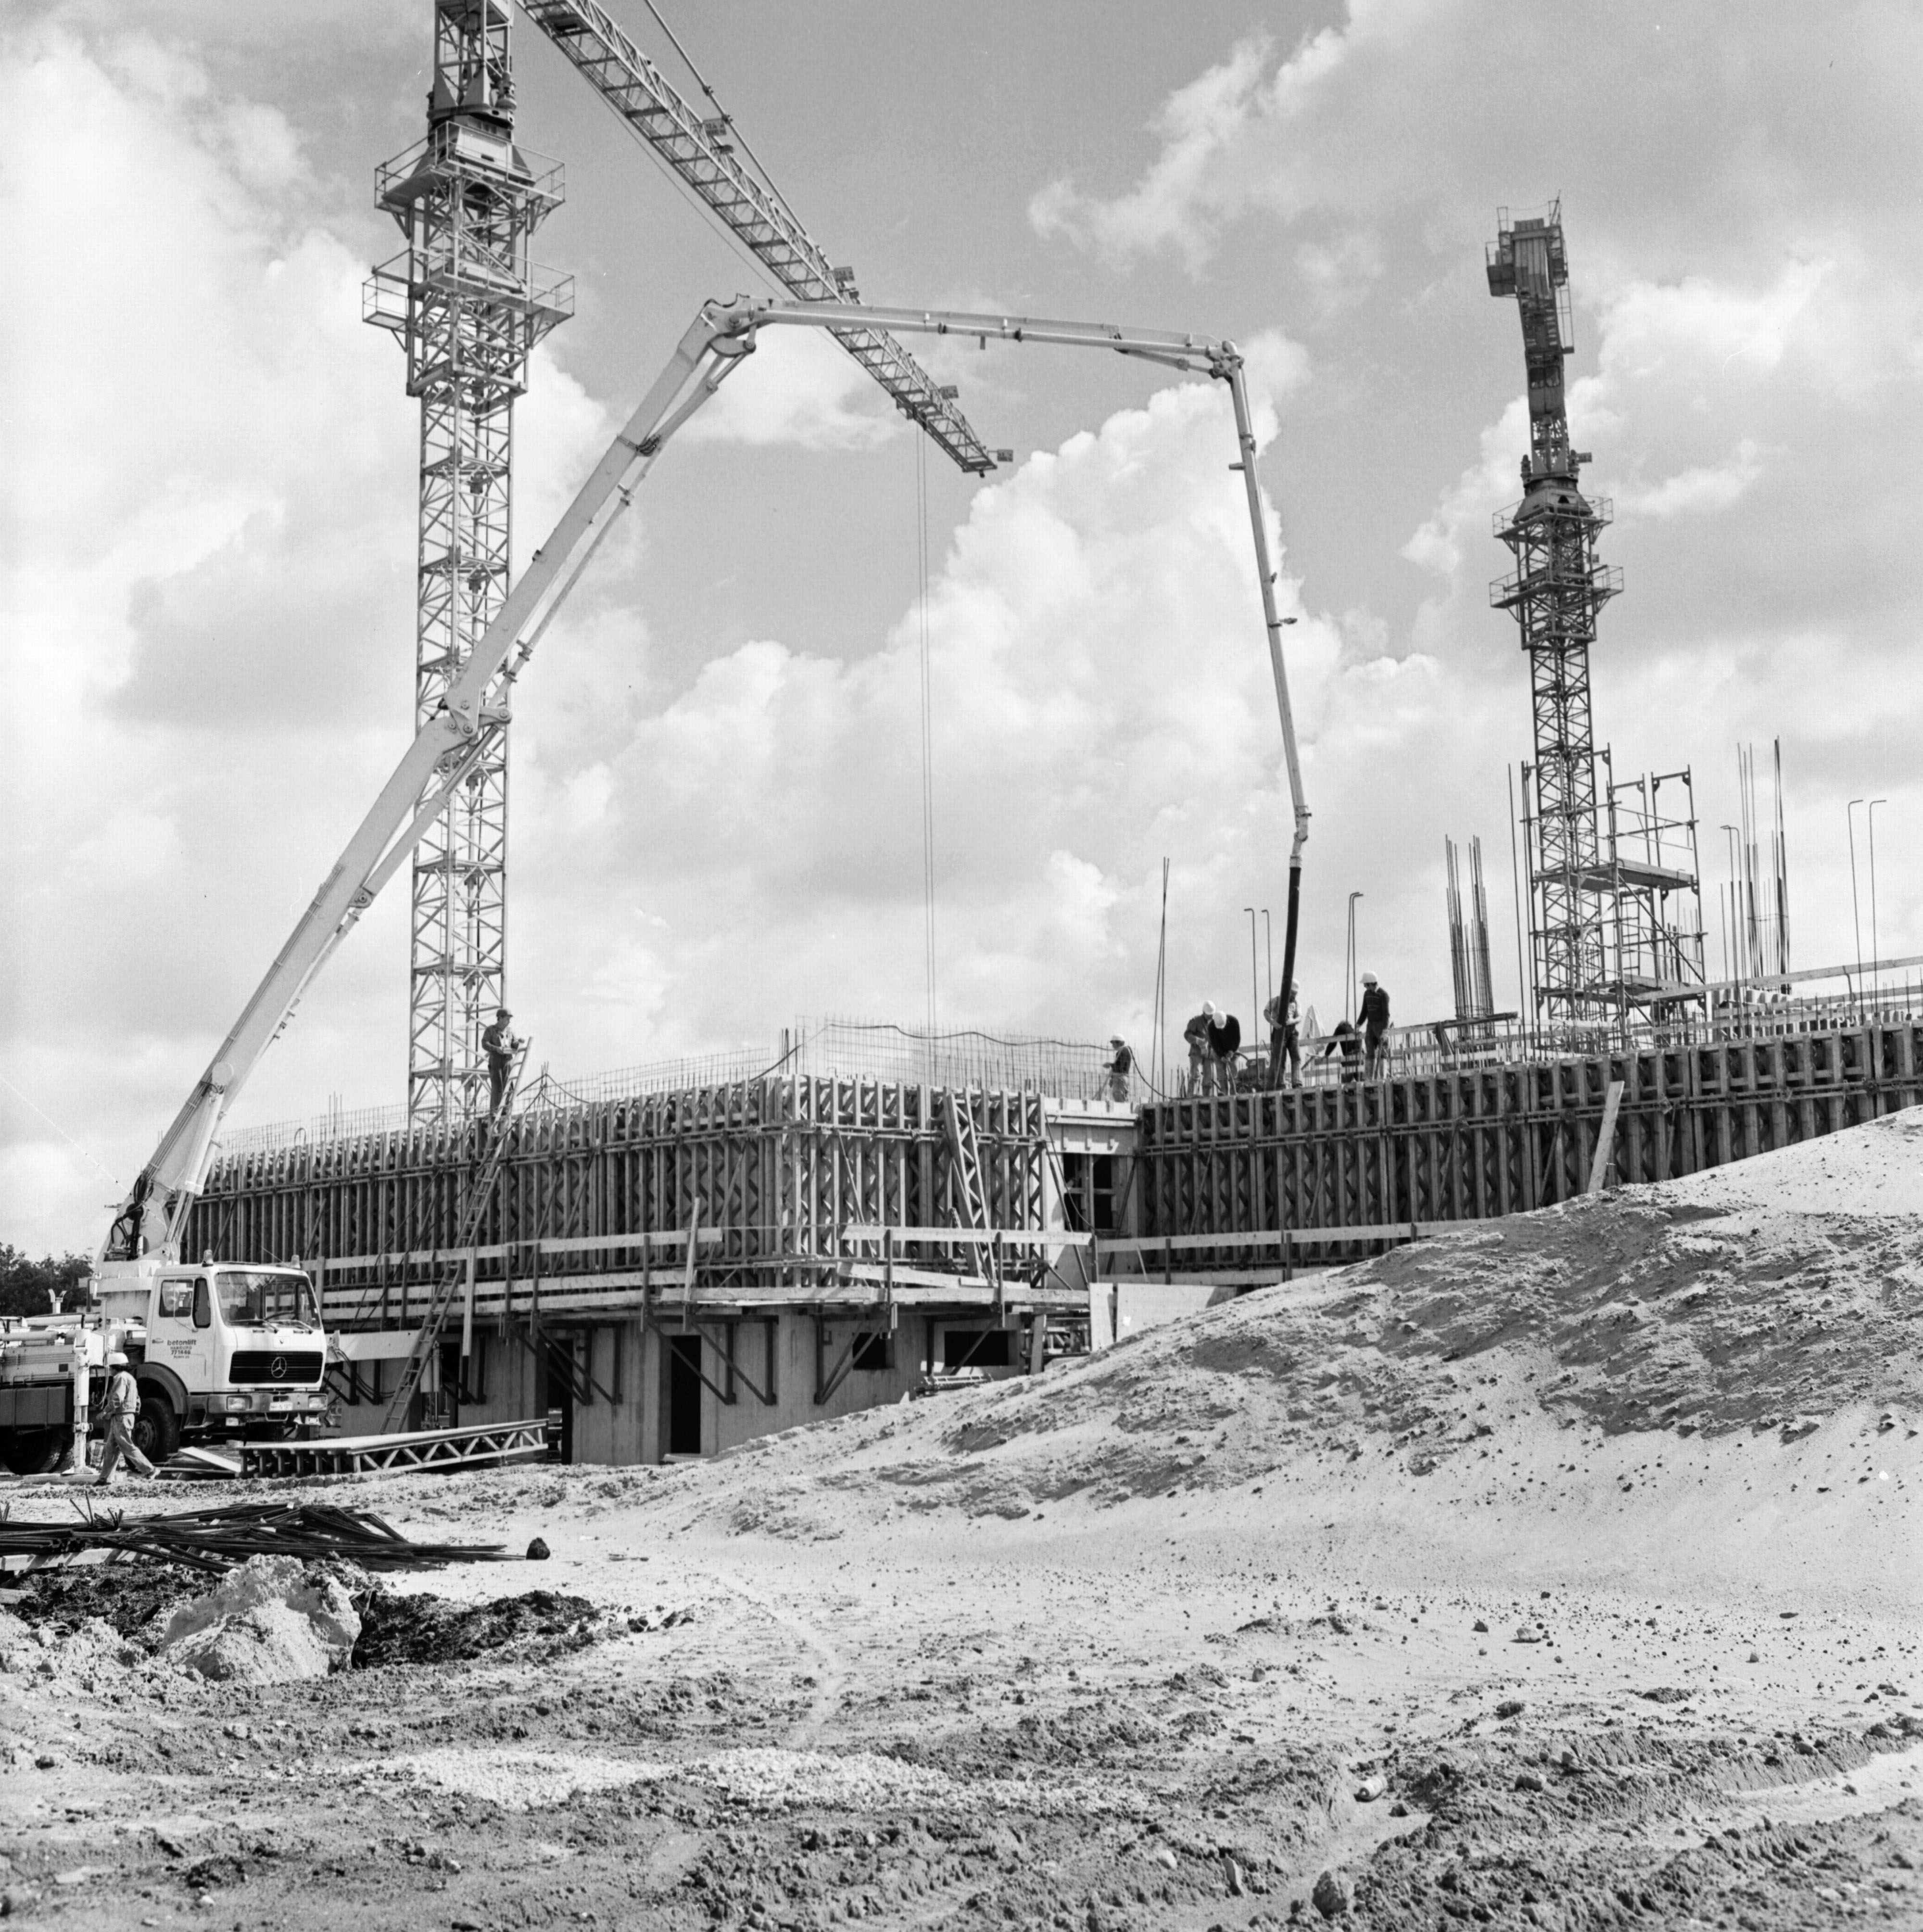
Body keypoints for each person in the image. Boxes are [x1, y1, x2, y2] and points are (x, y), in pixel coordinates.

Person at [95, 1352, 155, 1484]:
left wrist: (105, 1412)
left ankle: (150, 1470)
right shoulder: (130, 1378)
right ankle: (105, 1479)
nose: (110, 1370)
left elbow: (118, 1398)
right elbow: (137, 1399)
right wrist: (133, 1413)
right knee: (111, 1449)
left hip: (121, 1418)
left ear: (115, 1367)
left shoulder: (120, 1378)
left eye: (111, 1368)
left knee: (127, 1447)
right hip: (124, 1417)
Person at [481, 1006, 520, 1115]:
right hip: (496, 1061)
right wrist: (496, 1049)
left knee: (509, 1085)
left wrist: (518, 1043)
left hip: (508, 1061)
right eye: (507, 1018)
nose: (509, 1021)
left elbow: (514, 1043)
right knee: (497, 1086)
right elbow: (485, 1043)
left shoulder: (510, 1031)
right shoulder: (491, 1030)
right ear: (501, 1018)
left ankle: (505, 1110)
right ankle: (495, 1110)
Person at [1264, 983, 1301, 1087]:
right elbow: (1266, 1012)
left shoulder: (1296, 1003)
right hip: (1279, 1033)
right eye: (1292, 993)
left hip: (1292, 1032)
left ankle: (1297, 1082)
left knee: (1296, 1057)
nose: (1294, 996)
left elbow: (1300, 1017)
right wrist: (1273, 1023)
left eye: (1295, 994)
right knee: (1281, 1058)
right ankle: (1281, 1084)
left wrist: (1292, 1021)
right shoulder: (1276, 1000)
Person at [1358, 972, 1391, 1079]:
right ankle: (1370, 1078)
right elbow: (1364, 1011)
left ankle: (1383, 1077)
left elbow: (1386, 1014)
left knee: (1383, 1052)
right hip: (1371, 1026)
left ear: (1371, 983)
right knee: (1370, 1052)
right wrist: (1358, 1024)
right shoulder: (1367, 994)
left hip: (1381, 1025)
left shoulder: (1383, 995)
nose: (1365, 987)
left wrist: (1385, 1031)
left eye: (1366, 985)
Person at [1183, 1004, 1218, 1093]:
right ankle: (1192, 1096)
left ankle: (1207, 1098)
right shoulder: (1196, 1021)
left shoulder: (1214, 1023)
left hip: (1209, 1054)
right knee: (1195, 1075)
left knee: (1209, 1078)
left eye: (1212, 1014)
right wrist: (1197, 1040)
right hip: (1197, 1052)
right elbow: (1187, 1035)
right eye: (1209, 1014)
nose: (1210, 1016)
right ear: (1204, 1012)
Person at [1206, 1005, 1242, 1089]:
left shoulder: (1234, 1022)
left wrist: (1232, 1052)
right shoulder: (1211, 1026)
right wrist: (1222, 1056)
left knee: (1234, 1072)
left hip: (1233, 1049)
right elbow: (1215, 1043)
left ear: (1226, 1021)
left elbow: (1237, 1039)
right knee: (1221, 1075)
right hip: (1218, 1051)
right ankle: (1224, 1092)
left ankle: (1234, 1091)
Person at [1320, 1018, 1362, 1085]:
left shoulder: (1340, 1028)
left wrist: (1327, 1054)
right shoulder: (1352, 1030)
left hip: (1350, 1056)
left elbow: (1333, 1042)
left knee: (1345, 1084)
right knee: (1361, 1082)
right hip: (1360, 1056)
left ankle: (1346, 1090)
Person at [1105, 1037, 1134, 1103]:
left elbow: (1120, 1067)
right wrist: (1113, 1078)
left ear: (1119, 1043)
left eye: (1113, 1043)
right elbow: (1118, 1068)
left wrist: (1110, 1065)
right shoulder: (1122, 1052)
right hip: (1119, 1079)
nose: (1112, 1045)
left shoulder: (1123, 1051)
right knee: (1119, 1098)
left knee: (1120, 1099)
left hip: (1120, 1079)